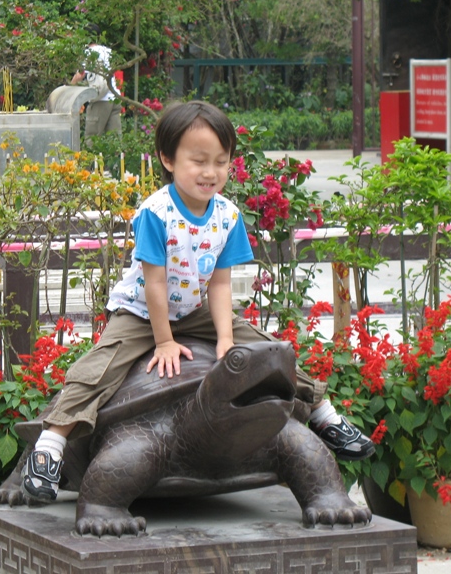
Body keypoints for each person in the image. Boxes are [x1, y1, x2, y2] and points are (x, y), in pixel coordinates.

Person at [21, 100, 374, 502]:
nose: (210, 173)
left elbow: (219, 285)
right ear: (168, 159)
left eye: (221, 162)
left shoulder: (227, 215)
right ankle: (51, 445)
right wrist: (165, 341)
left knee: (264, 348)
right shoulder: (156, 213)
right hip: (140, 311)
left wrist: (225, 337)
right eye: (199, 160)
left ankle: (324, 415)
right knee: (99, 367)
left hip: (193, 311)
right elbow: (154, 285)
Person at [70, 25, 121, 139]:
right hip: (114, 97)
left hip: (100, 100)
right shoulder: (108, 51)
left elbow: (81, 74)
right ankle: (117, 157)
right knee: (114, 140)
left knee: (92, 138)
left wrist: (69, 86)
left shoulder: (89, 53)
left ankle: (93, 158)